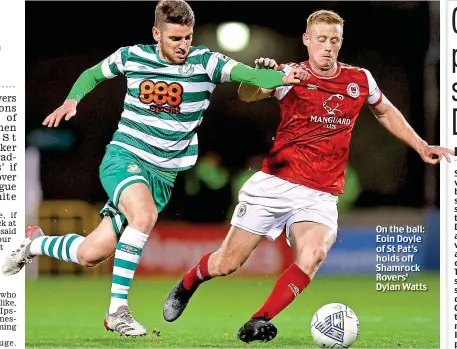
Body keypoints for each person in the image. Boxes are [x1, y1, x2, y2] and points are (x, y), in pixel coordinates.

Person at [2, 0, 306, 338]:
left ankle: (33, 244)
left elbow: (249, 75)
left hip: (162, 175)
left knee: (92, 253)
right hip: (124, 156)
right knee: (143, 216)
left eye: (187, 37)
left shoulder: (206, 62)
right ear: (156, 33)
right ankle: (117, 311)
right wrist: (73, 99)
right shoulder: (133, 56)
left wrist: (282, 75)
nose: (183, 45)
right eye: (175, 38)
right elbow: (93, 74)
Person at [163, 9, 454, 344]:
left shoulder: (360, 80)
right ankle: (188, 282)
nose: (327, 47)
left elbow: (384, 109)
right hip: (275, 185)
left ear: (340, 42)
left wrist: (420, 145)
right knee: (226, 263)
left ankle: (258, 321)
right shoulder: (291, 75)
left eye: (334, 40)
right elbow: (247, 95)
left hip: (320, 195)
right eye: (321, 40)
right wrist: (261, 77)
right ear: (307, 40)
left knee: (314, 254)